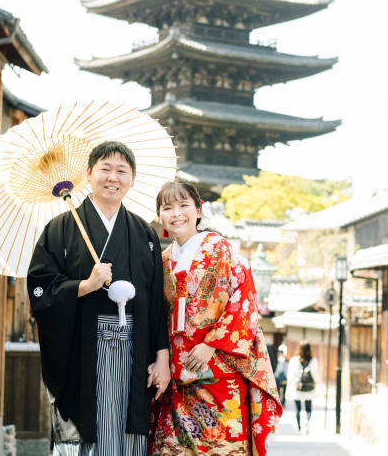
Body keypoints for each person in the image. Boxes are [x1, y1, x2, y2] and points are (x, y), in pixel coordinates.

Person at [27, 141, 170, 456]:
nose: (113, 178)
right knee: (86, 435)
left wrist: (162, 356)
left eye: (122, 171)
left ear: (132, 178)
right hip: (83, 351)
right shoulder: (60, 229)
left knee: (126, 437)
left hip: (135, 351)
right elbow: (39, 289)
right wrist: (85, 285)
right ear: (89, 173)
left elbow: (157, 300)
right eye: (105, 169)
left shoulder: (144, 233)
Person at [150, 180, 282, 455]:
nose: (176, 213)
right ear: (159, 216)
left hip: (218, 368)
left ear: (199, 210)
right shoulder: (162, 260)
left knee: (220, 446)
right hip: (177, 371)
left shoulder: (219, 247)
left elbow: (243, 299)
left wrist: (211, 344)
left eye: (184, 205)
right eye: (167, 207)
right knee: (172, 448)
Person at [287, 342, 319, 435]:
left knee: (298, 408)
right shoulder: (313, 360)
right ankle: (307, 420)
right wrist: (315, 384)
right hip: (309, 388)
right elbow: (315, 375)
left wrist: (289, 388)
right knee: (308, 407)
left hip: (297, 388)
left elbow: (290, 376)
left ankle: (299, 427)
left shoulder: (294, 360)